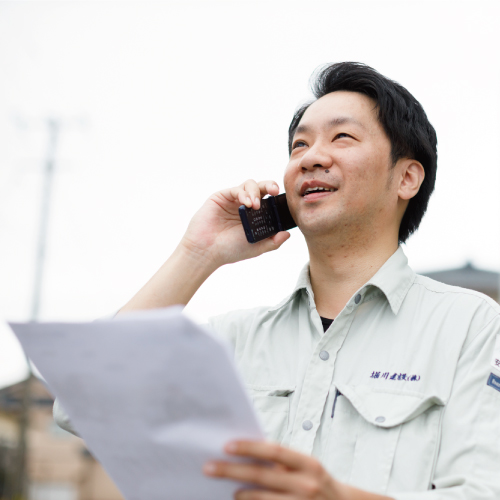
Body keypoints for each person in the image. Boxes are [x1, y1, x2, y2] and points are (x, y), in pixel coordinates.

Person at [56, 62, 500, 499]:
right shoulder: (233, 339)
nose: (311, 158)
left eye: (342, 137)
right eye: (299, 145)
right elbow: (82, 403)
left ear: (406, 177)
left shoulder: (471, 327)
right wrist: (199, 253)